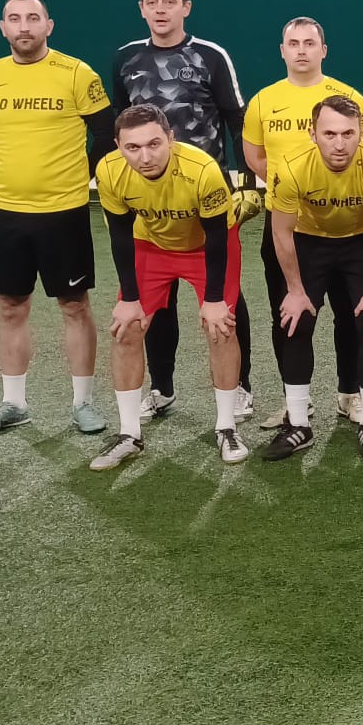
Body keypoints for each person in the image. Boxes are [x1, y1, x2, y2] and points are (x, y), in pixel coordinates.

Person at [0, 0, 114, 437]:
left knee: (74, 305)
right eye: (14, 19)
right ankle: (14, 404)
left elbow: (106, 134)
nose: (24, 26)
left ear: (49, 25)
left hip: (63, 212)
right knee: (10, 307)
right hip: (5, 212)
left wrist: (78, 175)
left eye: (33, 18)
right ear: (3, 28)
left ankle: (83, 404)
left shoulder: (77, 74)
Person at [111, 0, 254, 422]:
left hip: (207, 196)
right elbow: (121, 124)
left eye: (169, 2)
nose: (161, 10)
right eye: (152, 2)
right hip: (151, 202)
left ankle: (241, 387)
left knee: (225, 299)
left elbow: (237, 120)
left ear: (185, 7)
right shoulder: (126, 58)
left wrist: (247, 182)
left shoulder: (210, 56)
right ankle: (162, 388)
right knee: (157, 300)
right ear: (141, 9)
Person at [88, 105, 247, 470]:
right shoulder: (109, 171)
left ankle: (226, 427)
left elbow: (217, 237)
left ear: (171, 139)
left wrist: (213, 300)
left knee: (221, 328)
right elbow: (120, 235)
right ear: (118, 146)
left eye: (154, 144)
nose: (145, 157)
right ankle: (129, 434)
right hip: (151, 245)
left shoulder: (202, 170)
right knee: (126, 327)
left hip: (206, 246)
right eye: (133, 147)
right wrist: (129, 298)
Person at [240, 17, 363, 429]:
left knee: (350, 315)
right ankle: (294, 400)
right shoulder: (263, 101)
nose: (301, 50)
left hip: (347, 223)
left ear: (323, 50)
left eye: (310, 43)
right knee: (289, 315)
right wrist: (293, 189)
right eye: (293, 43)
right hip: (288, 226)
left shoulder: (349, 98)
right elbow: (255, 156)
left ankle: (349, 395)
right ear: (282, 51)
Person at [263, 96, 363, 461]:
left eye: (348, 134)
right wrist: (295, 290)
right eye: (329, 134)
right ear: (313, 134)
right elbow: (281, 232)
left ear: (360, 134)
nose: (339, 144)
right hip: (310, 241)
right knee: (295, 322)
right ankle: (298, 424)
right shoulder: (291, 167)